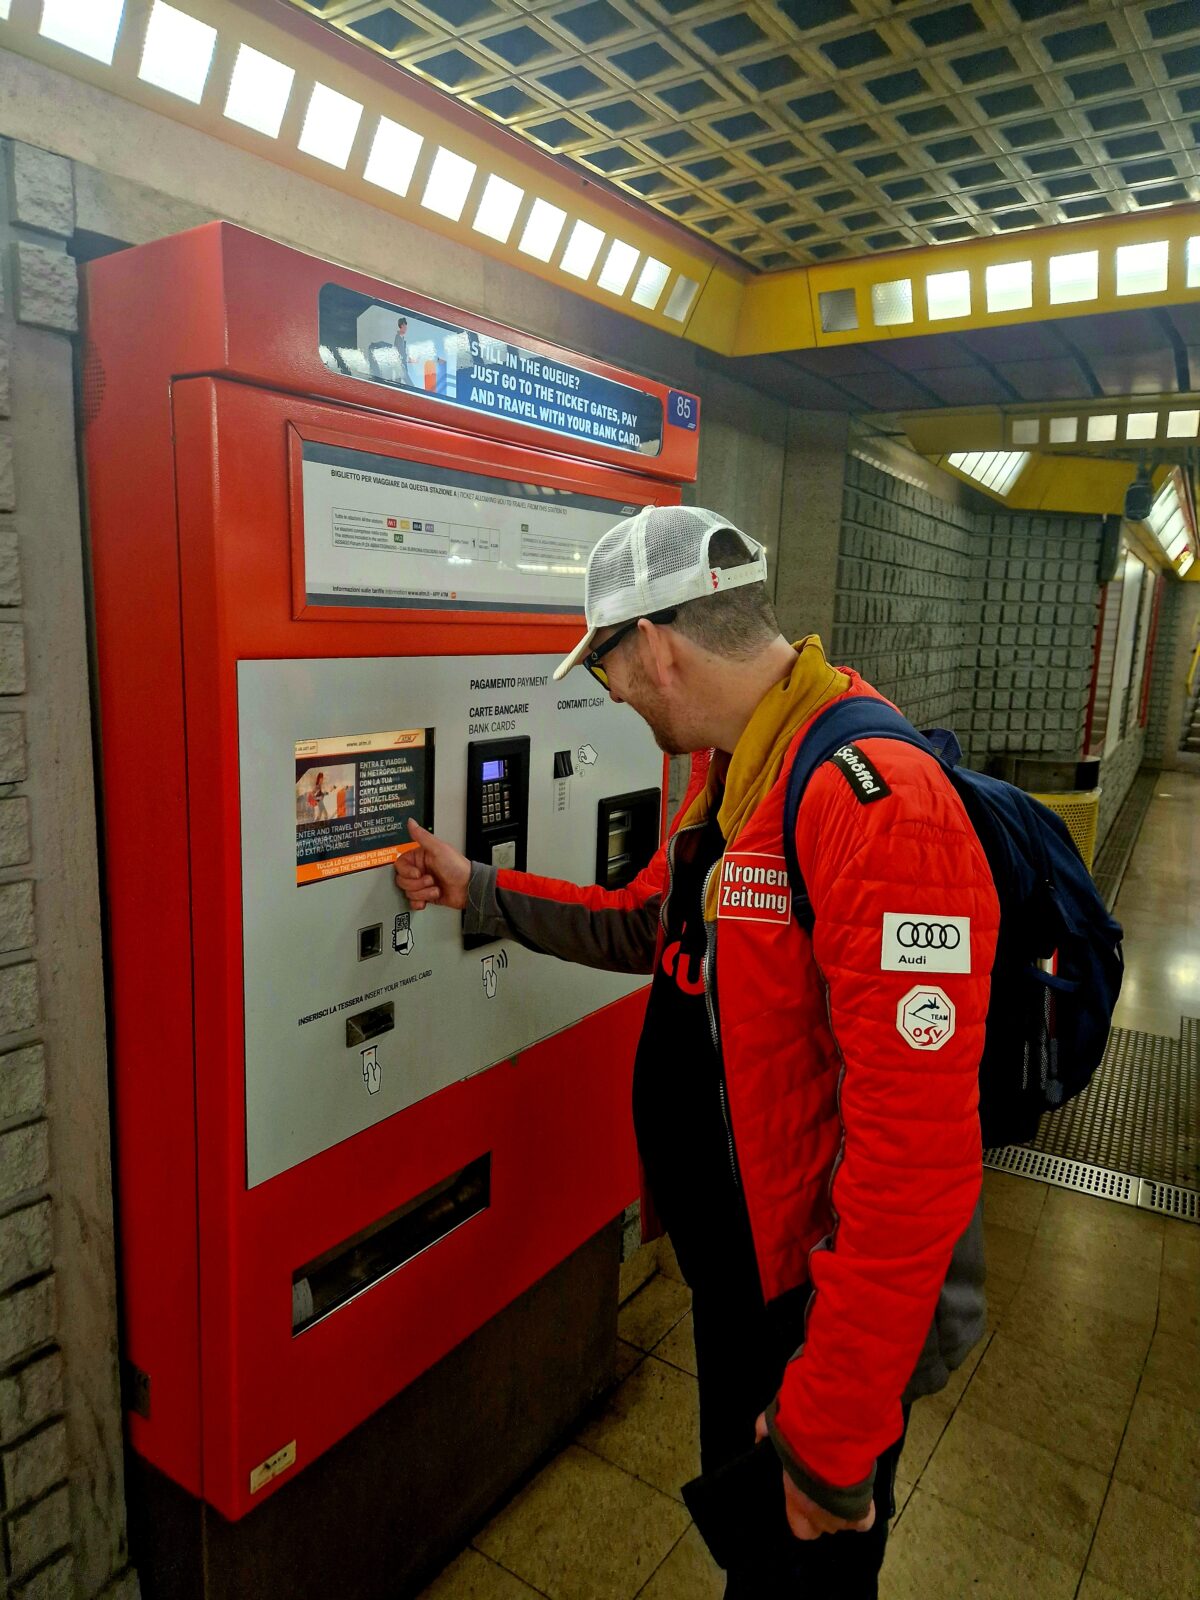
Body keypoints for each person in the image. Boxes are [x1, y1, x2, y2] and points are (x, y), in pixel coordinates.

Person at [395, 506, 999, 1597]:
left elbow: (916, 1158)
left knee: (802, 1580)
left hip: (810, 1314)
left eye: (608, 667)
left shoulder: (876, 804)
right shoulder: (739, 775)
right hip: (741, 1284)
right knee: (757, 1572)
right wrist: (476, 889)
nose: (611, 692)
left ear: (656, 645)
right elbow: (646, 924)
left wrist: (831, 1426)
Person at [394, 316, 414, 387]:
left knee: (397, 385)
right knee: (411, 386)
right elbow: (400, 353)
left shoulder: (402, 339)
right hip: (400, 366)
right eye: (405, 326)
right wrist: (408, 359)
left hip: (401, 366)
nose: (406, 328)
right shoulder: (398, 338)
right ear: (402, 326)